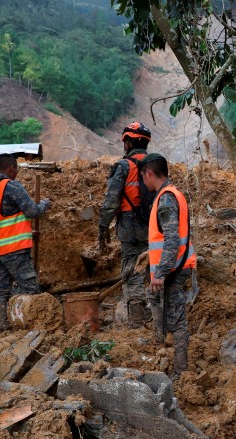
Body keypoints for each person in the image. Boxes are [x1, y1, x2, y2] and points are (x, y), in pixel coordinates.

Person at [138, 153, 196, 378]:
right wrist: (150, 255)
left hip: (175, 268)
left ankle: (180, 371)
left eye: (142, 176)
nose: (142, 182)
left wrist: (161, 272)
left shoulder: (166, 199)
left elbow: (172, 239)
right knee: (153, 296)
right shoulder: (171, 194)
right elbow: (167, 237)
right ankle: (159, 337)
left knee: (177, 319)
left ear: (149, 173)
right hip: (175, 264)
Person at [0, 154, 51, 330]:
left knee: (0, 290)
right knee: (29, 287)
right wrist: (45, 204)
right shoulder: (12, 186)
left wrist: (28, 232)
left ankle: (3, 327)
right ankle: (32, 327)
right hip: (13, 248)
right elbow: (32, 211)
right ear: (11, 168)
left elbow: (3, 218)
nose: (16, 173)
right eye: (16, 169)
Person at [99, 121, 153, 327]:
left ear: (128, 143)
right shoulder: (156, 164)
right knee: (153, 266)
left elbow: (111, 201)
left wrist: (103, 226)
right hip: (154, 227)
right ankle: (157, 311)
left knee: (132, 269)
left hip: (130, 228)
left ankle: (137, 317)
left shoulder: (123, 166)